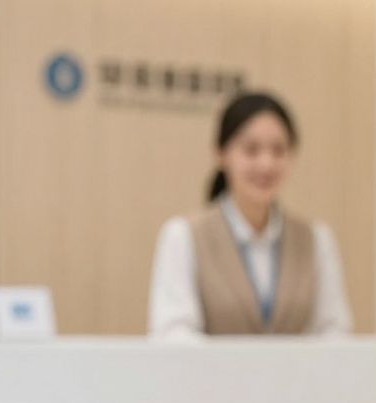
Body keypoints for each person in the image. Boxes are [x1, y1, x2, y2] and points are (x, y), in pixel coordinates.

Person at [149, 92, 352, 336]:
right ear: (221, 154)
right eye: (251, 150)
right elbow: (174, 333)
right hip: (211, 375)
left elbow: (333, 329)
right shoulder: (183, 236)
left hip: (297, 375)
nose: (266, 164)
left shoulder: (316, 239)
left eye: (278, 150)